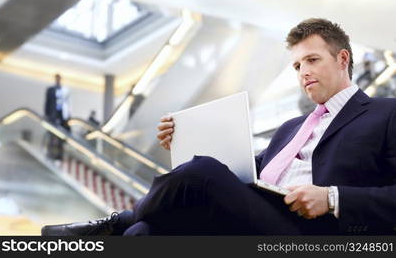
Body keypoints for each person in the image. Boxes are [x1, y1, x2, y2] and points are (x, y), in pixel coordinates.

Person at [41, 18, 396, 236]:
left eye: (313, 60)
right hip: (258, 216)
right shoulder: (291, 128)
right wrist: (184, 142)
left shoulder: (385, 114)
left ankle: (111, 223)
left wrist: (332, 197)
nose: (303, 72)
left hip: (317, 232)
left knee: (202, 171)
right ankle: (126, 224)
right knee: (146, 230)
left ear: (343, 59)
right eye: (297, 64)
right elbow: (242, 171)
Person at [44, 74, 71, 161]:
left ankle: (60, 155)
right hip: (53, 116)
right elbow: (47, 103)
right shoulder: (50, 90)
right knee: (52, 134)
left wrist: (68, 116)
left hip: (62, 116)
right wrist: (47, 115)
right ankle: (50, 153)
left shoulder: (65, 90)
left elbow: (68, 104)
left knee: (61, 136)